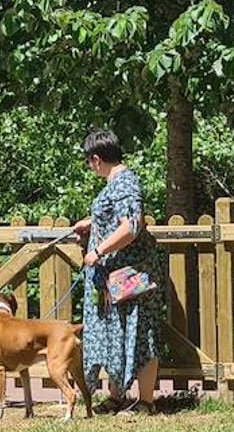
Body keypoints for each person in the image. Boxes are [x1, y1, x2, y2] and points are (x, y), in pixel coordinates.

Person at [71, 129, 165, 415]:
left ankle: (145, 402)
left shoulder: (124, 182)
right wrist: (91, 222)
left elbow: (132, 226)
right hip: (115, 277)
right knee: (116, 332)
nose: (90, 167)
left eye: (89, 162)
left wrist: (98, 251)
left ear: (96, 159)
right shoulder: (117, 183)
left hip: (131, 276)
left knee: (141, 334)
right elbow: (117, 217)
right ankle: (116, 397)